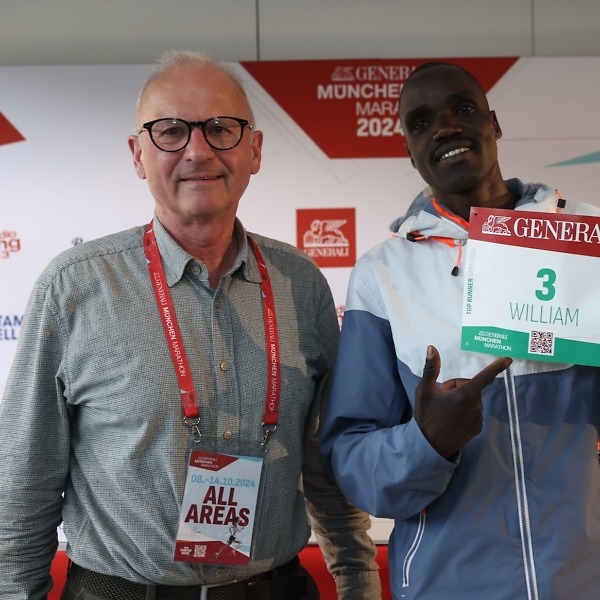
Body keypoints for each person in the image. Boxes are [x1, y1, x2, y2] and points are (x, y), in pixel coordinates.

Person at [0, 50, 382, 600]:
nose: (198, 151)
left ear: (254, 150)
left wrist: (358, 584)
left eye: (221, 129)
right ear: (137, 155)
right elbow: (24, 486)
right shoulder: (75, 287)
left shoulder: (302, 284)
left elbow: (327, 464)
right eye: (171, 131)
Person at [320, 61, 600, 600]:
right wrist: (425, 442)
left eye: (463, 109)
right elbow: (355, 462)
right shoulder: (383, 276)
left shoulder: (581, 241)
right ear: (409, 150)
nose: (446, 127)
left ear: (494, 123)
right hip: (446, 586)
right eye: (422, 122)